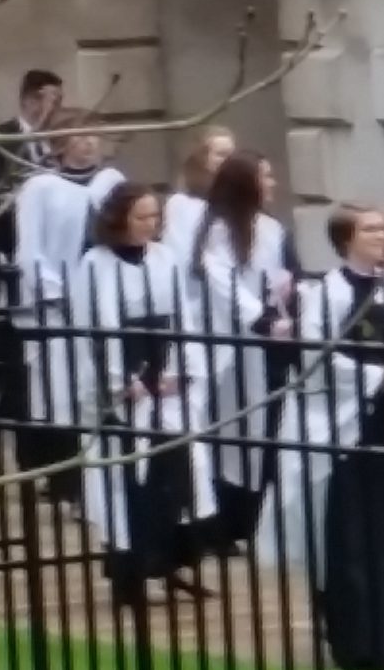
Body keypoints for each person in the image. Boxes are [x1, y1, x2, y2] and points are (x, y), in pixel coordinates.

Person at [262, 205, 384, 670]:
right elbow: (320, 356)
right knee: (358, 535)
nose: (379, 235)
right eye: (368, 229)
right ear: (346, 239)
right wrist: (376, 377)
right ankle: (365, 642)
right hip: (349, 426)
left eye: (381, 228)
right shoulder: (324, 293)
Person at [68, 183, 215, 607]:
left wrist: (180, 371)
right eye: (141, 217)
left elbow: (183, 319)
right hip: (127, 382)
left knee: (175, 471)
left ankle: (171, 562)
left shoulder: (164, 257)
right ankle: (129, 570)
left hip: (164, 373)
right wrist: (120, 382)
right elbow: (98, 329)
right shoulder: (96, 265)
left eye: (155, 217)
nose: (150, 225)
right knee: (127, 477)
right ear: (119, 220)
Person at [10, 116, 125, 500]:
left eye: (93, 134)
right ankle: (65, 476)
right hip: (57, 305)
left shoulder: (112, 183)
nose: (88, 143)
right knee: (61, 389)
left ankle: (104, 468)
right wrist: (56, 293)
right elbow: (29, 250)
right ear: (60, 143)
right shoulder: (39, 187)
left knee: (104, 383)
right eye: (78, 135)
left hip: (103, 298)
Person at [186, 150, 294, 550]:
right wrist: (259, 319)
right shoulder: (216, 230)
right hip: (228, 346)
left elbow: (282, 275)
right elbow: (221, 283)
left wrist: (283, 302)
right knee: (229, 431)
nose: (271, 184)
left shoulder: (272, 228)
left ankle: (253, 514)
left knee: (258, 428)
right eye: (264, 177)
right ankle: (226, 519)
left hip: (264, 345)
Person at [0, 69, 62, 277]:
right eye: (51, 101)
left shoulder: (59, 139)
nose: (56, 108)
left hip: (52, 245)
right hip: (9, 243)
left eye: (58, 101)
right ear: (28, 100)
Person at [160, 127, 235, 269]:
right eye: (221, 154)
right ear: (203, 158)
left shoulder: (239, 199)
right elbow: (180, 251)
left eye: (232, 155)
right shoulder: (180, 203)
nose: (229, 160)